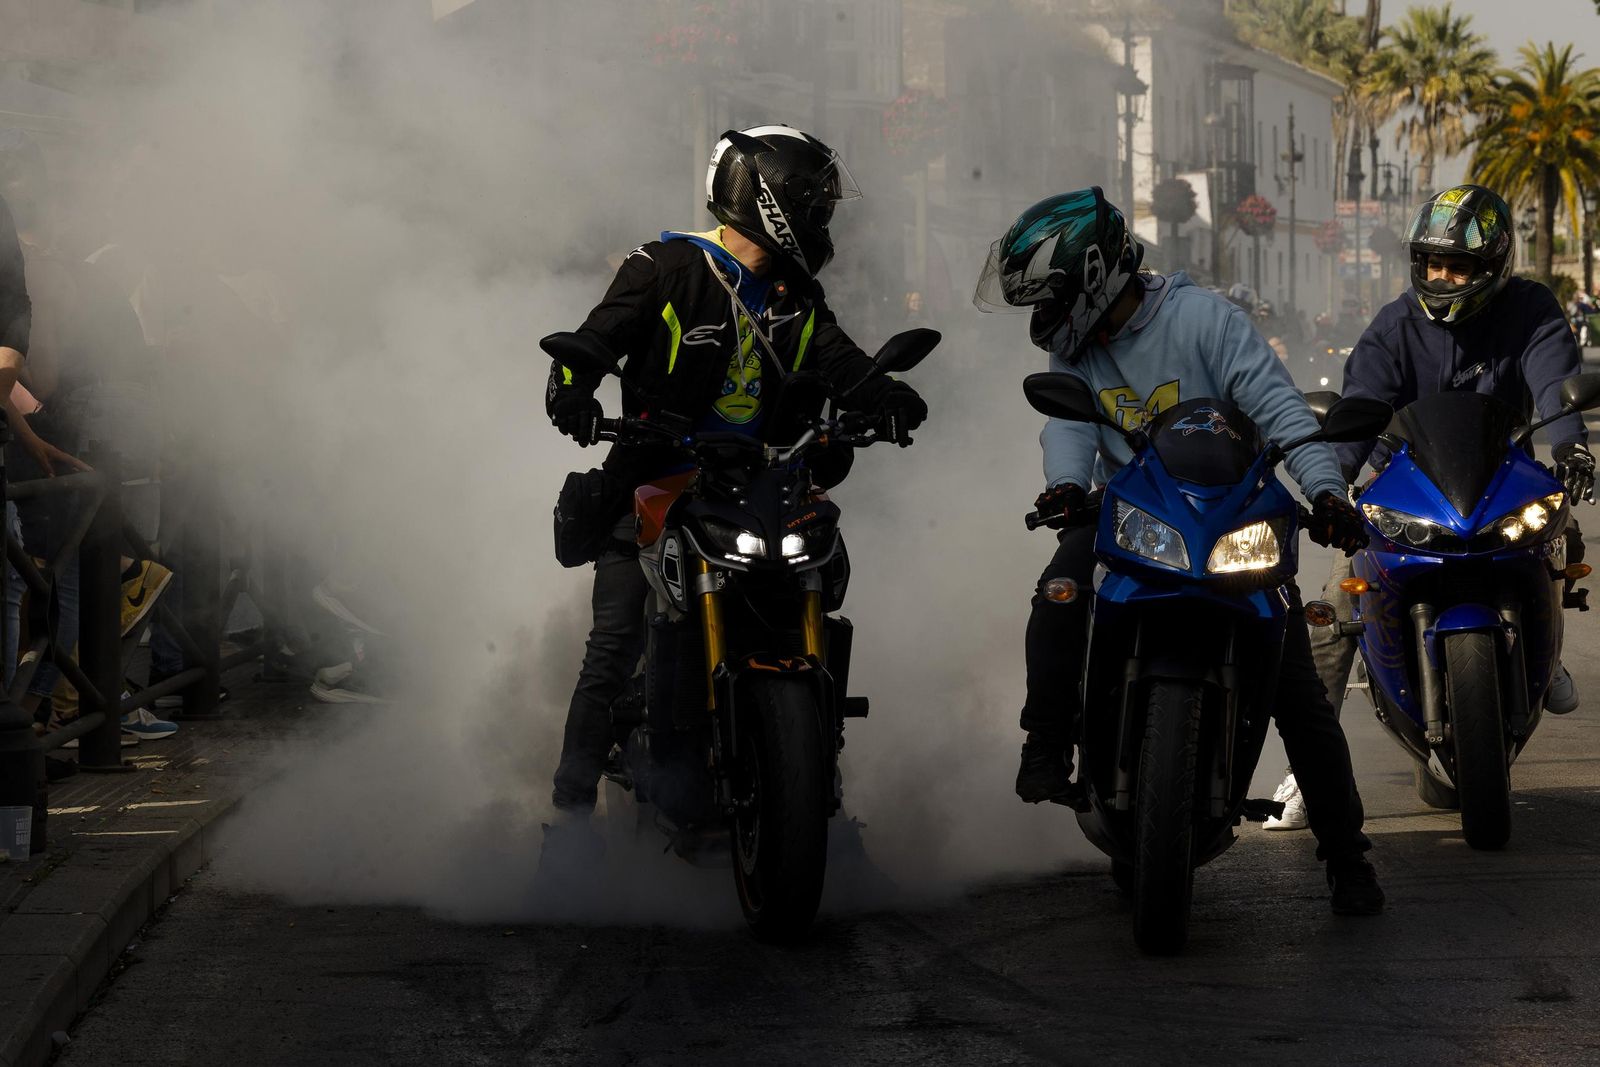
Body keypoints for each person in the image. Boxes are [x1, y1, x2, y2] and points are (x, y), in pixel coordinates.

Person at [975, 186, 1384, 915]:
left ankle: (1347, 854)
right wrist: (1066, 486)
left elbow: (1280, 408)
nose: (1044, 317)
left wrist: (1326, 493)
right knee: (1060, 591)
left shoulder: (1205, 320)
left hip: (1233, 522)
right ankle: (1046, 741)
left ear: (1096, 275)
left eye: (1054, 295)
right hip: (1129, 516)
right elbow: (1067, 426)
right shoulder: (1076, 349)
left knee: (1299, 693)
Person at [540, 125, 928, 864]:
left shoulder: (795, 296)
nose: (825, 218)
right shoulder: (665, 267)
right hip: (657, 482)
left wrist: (889, 395)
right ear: (772, 199)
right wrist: (572, 392)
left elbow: (840, 360)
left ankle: (819, 783)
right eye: (815, 203)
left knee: (816, 584)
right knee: (614, 641)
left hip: (760, 485)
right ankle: (569, 816)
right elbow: (589, 345)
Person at [1272, 184, 1593, 830]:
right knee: (1334, 608)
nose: (1443, 276)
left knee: (1561, 537)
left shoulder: (1530, 310)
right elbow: (1360, 406)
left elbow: (1556, 382)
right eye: (1432, 263)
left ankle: (1545, 653)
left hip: (1502, 473)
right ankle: (1309, 769)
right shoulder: (1394, 325)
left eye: (1459, 266)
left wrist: (1572, 447)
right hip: (1406, 480)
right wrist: (1332, 482)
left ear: (1493, 266)